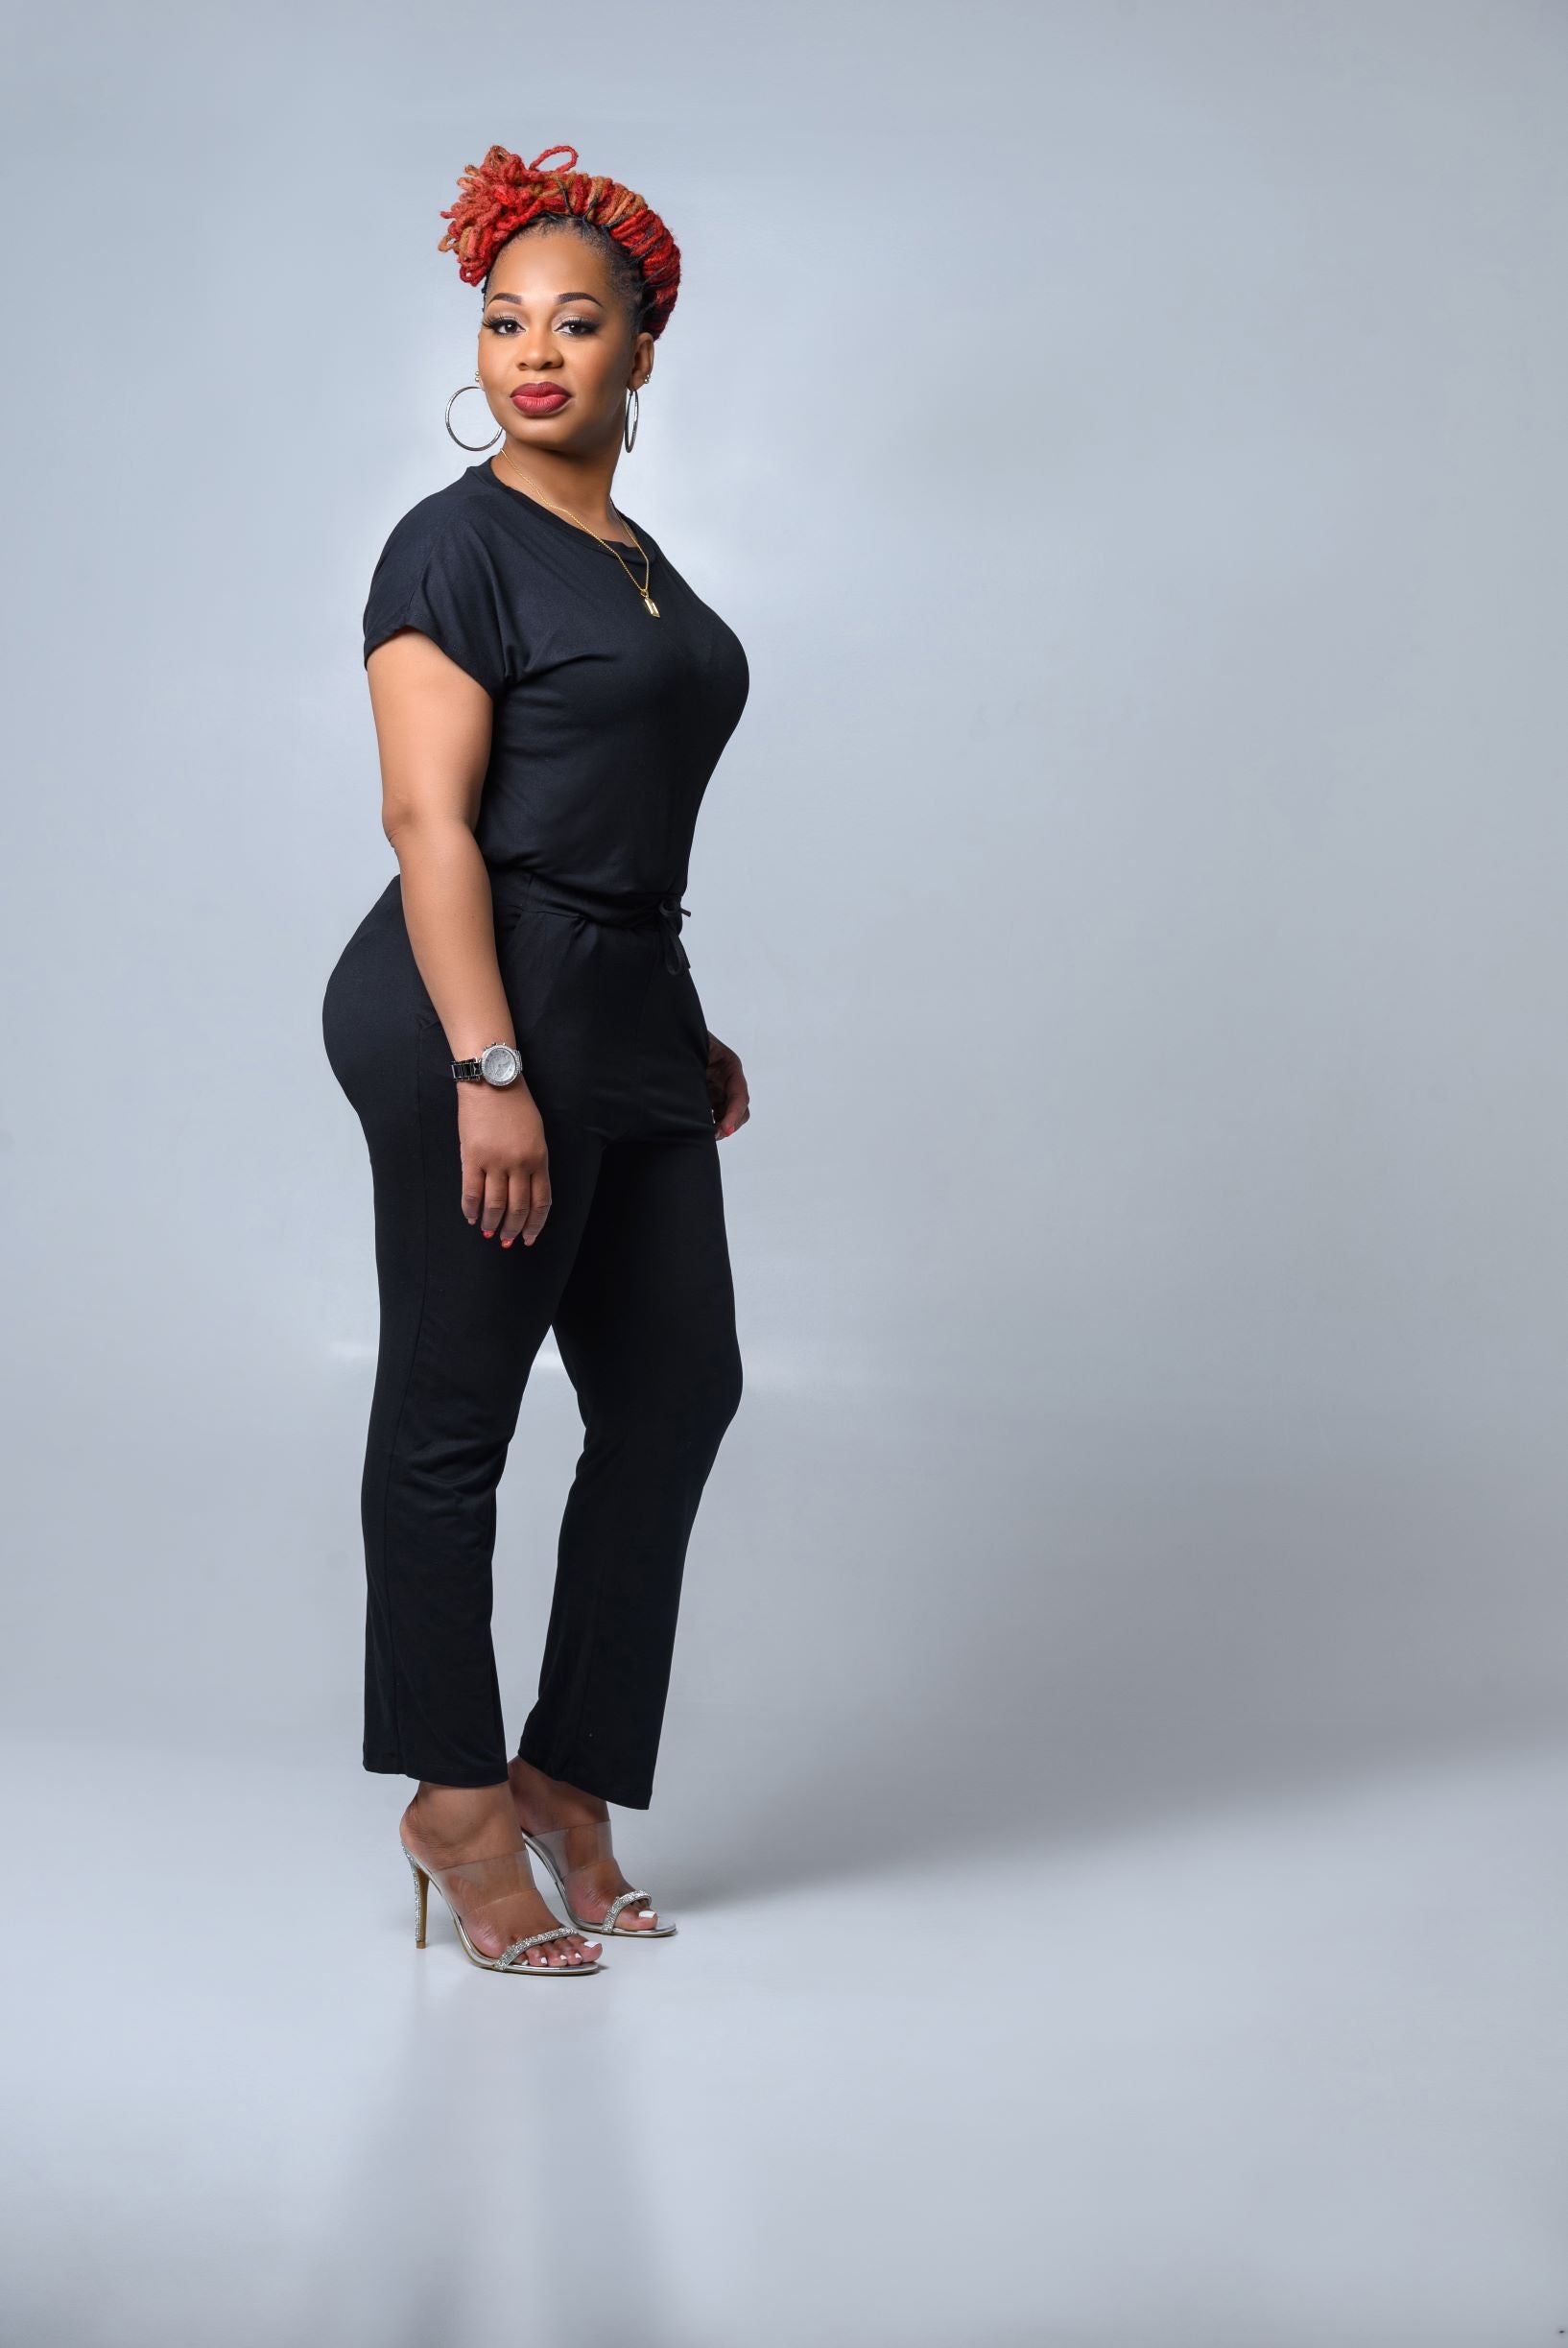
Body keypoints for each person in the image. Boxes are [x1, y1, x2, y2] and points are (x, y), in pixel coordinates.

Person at [321, 142, 752, 1977]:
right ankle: (450, 1795)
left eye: (577, 324)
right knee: (456, 1416)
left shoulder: (635, 561)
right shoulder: (453, 544)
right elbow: (433, 823)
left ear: (642, 348)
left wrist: (671, 1017)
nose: (536, 354)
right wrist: (487, 1068)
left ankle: (563, 1774)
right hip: (473, 997)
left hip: (622, 995)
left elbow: (608, 813)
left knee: (678, 1391)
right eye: (506, 323)